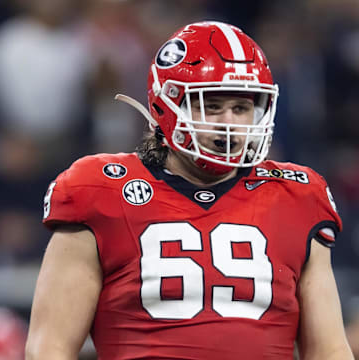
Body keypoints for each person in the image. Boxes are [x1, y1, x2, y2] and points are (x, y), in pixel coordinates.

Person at [25, 21, 354, 359]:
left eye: (241, 108)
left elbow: (329, 350)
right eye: (211, 105)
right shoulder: (100, 189)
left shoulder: (297, 195)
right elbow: (49, 347)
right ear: (166, 105)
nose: (229, 122)